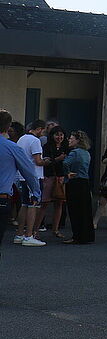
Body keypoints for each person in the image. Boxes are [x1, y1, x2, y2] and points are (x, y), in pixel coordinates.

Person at [0, 110, 41, 265]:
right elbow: (29, 172)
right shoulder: (12, 148)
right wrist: (36, 192)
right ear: (8, 126)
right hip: (2, 198)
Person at [14, 120, 48, 246]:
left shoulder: (22, 139)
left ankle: (19, 233)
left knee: (24, 204)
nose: (43, 134)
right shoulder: (35, 141)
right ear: (39, 129)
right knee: (33, 205)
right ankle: (29, 235)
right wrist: (47, 161)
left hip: (22, 176)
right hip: (34, 176)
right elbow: (38, 161)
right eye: (43, 131)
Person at [62, 131, 94, 244]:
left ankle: (77, 236)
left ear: (77, 140)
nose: (69, 140)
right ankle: (87, 235)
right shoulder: (86, 153)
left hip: (75, 182)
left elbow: (65, 163)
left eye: (71, 138)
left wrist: (67, 173)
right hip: (85, 182)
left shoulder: (74, 152)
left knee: (75, 210)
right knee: (85, 210)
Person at [38, 127, 69, 239]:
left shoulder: (66, 147)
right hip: (49, 176)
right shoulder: (47, 147)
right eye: (57, 135)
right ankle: (35, 230)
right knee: (44, 203)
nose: (59, 137)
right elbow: (46, 162)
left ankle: (55, 229)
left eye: (61, 135)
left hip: (61, 178)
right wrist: (58, 159)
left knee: (59, 203)